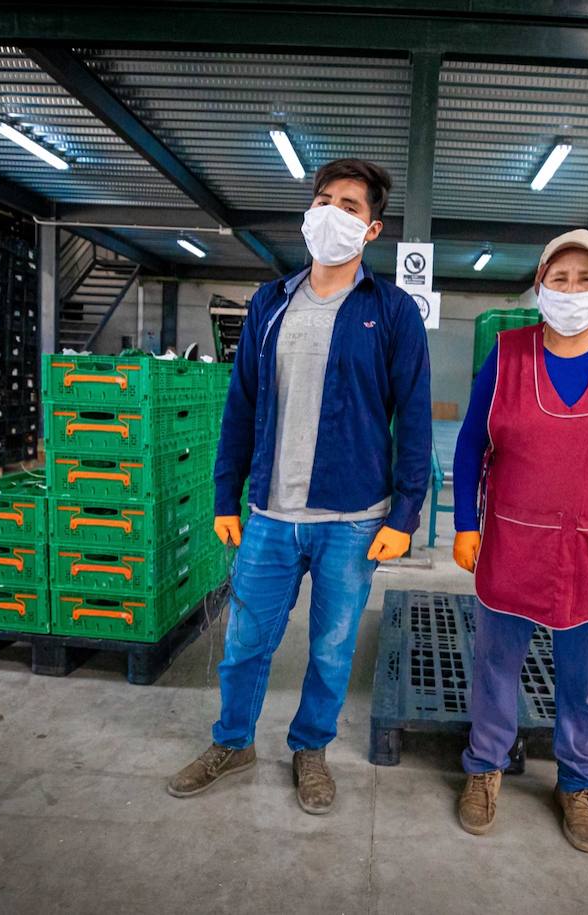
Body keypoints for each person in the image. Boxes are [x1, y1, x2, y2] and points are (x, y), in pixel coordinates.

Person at [168, 159, 432, 815]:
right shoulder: (270, 301)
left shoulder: (391, 311)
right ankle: (232, 742)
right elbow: (241, 404)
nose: (331, 212)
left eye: (348, 205)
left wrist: (405, 513)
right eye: (323, 200)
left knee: (333, 648)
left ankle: (309, 749)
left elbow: (416, 417)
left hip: (352, 519)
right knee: (245, 643)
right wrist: (225, 494)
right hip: (270, 513)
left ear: (371, 229)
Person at [450, 229, 588, 852]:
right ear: (541, 284)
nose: (572, 291)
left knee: (583, 680)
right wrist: (465, 524)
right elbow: (473, 443)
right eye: (560, 278)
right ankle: (485, 768)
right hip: (513, 541)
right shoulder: (508, 355)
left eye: (586, 280)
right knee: (496, 666)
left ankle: (576, 781)